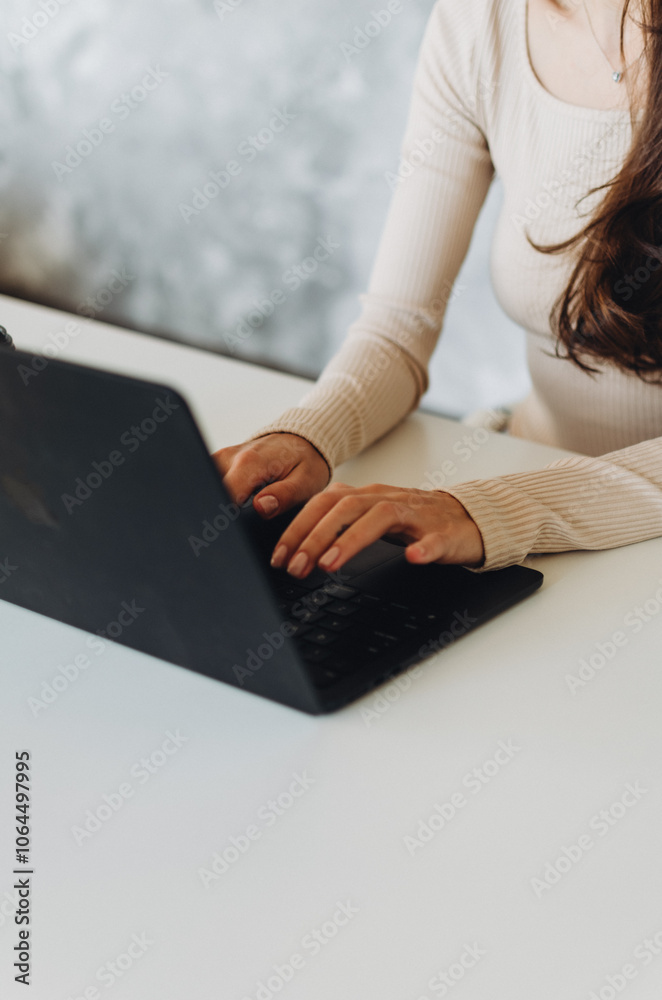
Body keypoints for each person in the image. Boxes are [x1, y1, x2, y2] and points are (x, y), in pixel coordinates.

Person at [213, 0, 662, 581]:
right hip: (526, 474)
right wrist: (304, 437)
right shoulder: (480, 21)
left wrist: (488, 512)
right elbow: (398, 329)